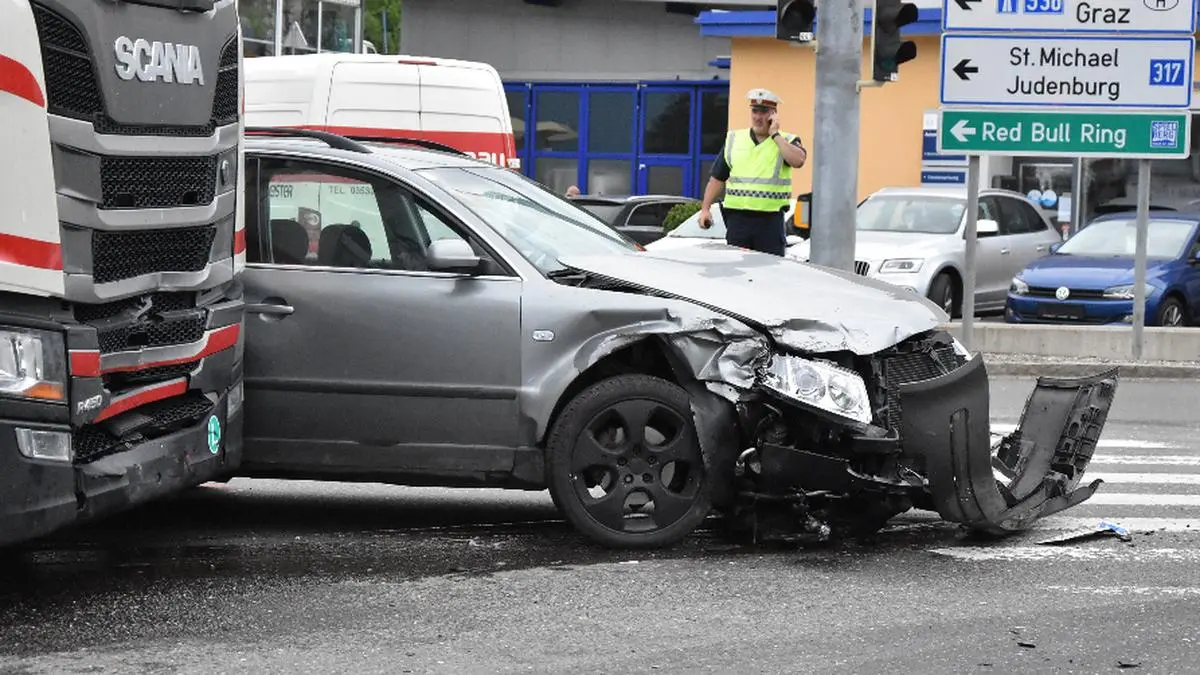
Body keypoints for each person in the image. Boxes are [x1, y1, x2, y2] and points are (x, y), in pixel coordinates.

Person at [699, 88, 808, 256]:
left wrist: (775, 135)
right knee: (735, 276)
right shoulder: (734, 139)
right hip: (737, 222)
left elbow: (798, 161)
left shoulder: (786, 140)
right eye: (755, 111)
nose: (758, 117)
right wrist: (705, 209)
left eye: (764, 112)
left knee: (767, 275)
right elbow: (717, 178)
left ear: (773, 114)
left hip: (769, 223)